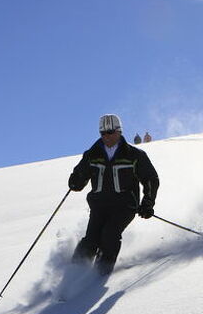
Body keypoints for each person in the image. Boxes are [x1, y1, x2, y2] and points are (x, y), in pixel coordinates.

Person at [67, 114, 159, 275]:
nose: (106, 136)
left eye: (110, 132)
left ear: (119, 131)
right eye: (102, 133)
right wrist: (75, 181)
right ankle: (72, 276)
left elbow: (151, 179)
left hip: (124, 206)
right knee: (90, 240)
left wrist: (147, 203)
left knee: (109, 235)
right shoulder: (92, 154)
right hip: (99, 206)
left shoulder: (134, 155)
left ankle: (99, 276)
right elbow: (79, 178)